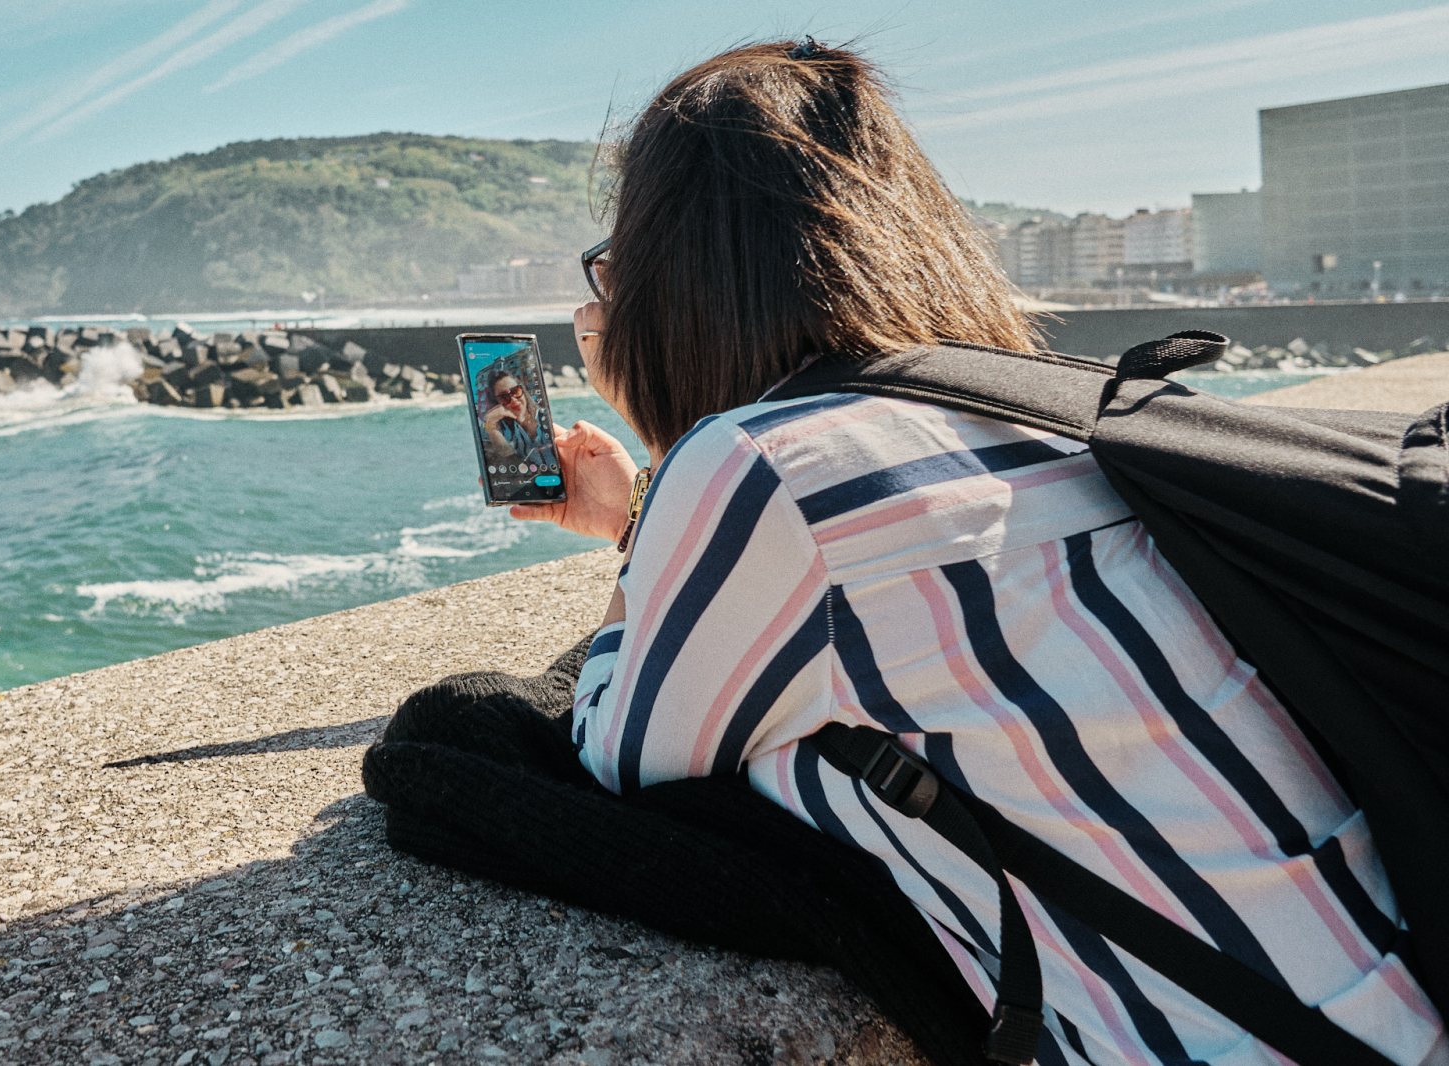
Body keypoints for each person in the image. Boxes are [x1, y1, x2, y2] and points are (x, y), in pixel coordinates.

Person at [509, 39, 1446, 1066]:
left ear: (672, 277)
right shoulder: (1034, 409)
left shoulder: (763, 467)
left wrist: (662, 462)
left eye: (616, 265)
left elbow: (618, 753)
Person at [480, 369, 553, 467]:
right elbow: (511, 461)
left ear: (523, 390)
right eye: (504, 397)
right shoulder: (505, 430)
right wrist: (492, 426)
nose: (513, 400)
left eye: (515, 391)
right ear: (497, 403)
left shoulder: (544, 418)